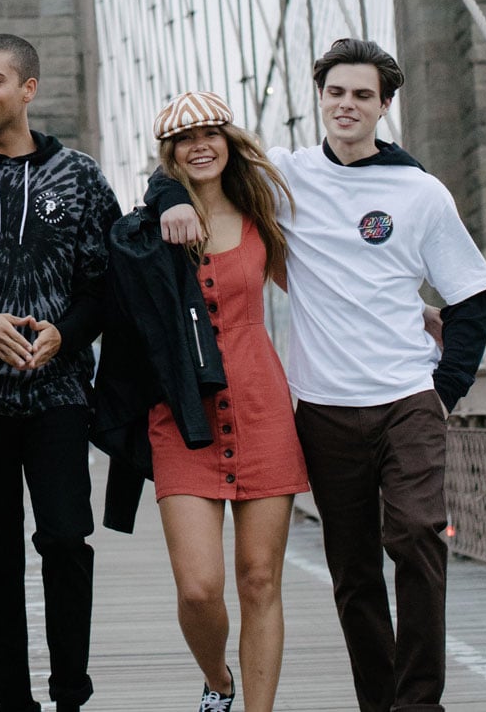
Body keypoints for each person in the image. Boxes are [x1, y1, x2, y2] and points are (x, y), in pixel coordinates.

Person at [157, 39, 486, 712]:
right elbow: (197, 159)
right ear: (320, 97)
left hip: (407, 396)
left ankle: (420, 702)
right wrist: (166, 192)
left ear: (385, 105)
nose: (347, 105)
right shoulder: (282, 177)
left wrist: (446, 389)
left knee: (417, 536)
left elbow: (473, 294)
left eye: (362, 95)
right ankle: (380, 701)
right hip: (322, 408)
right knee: (354, 572)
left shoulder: (420, 191)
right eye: (336, 92)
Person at [95, 92, 308, 712]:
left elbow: (328, 288)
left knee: (260, 579)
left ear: (229, 140)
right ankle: (218, 680)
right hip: (182, 418)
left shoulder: (262, 214)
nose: (201, 144)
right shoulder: (145, 230)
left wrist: (417, 315)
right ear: (170, 155)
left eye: (212, 132)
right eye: (187, 139)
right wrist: (167, 200)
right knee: (198, 587)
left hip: (263, 407)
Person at [0, 33, 121, 712]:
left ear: (28, 89)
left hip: (58, 393)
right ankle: (12, 705)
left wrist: (66, 334)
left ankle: (70, 694)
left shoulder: (77, 176)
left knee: (65, 538)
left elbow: (105, 284)